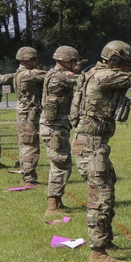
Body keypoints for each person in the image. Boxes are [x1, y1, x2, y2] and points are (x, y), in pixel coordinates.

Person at [70, 40, 131, 262]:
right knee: (100, 197)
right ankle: (98, 252)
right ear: (114, 60)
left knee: (107, 188)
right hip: (91, 144)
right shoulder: (105, 76)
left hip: (94, 144)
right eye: (126, 63)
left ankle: (106, 240)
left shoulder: (94, 73)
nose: (128, 68)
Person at [40, 46, 83, 219]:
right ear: (66, 61)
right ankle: (52, 205)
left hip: (55, 127)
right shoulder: (60, 76)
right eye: (74, 61)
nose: (76, 64)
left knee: (59, 163)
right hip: (55, 129)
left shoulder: (52, 73)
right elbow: (83, 81)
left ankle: (57, 201)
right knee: (61, 164)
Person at [12, 47, 47, 184]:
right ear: (28, 60)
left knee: (25, 144)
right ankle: (29, 178)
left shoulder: (19, 73)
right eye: (34, 59)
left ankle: (26, 173)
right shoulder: (28, 74)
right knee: (30, 145)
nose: (36, 62)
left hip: (25, 112)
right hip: (29, 113)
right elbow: (49, 76)